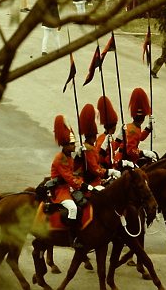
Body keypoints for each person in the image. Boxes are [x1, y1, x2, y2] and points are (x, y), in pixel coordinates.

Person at [51, 115, 98, 249]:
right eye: (72, 144)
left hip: (69, 188)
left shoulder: (69, 157)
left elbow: (75, 171)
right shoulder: (61, 159)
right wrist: (85, 186)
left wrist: (79, 156)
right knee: (73, 208)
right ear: (65, 145)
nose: (74, 145)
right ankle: (73, 238)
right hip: (60, 190)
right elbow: (69, 178)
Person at [79, 104, 121, 186]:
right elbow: (99, 163)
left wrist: (119, 139)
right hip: (95, 180)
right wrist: (110, 171)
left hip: (103, 174)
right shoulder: (90, 147)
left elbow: (112, 151)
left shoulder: (91, 146)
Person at [114, 88, 156, 166]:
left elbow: (141, 137)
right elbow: (130, 151)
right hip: (125, 161)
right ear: (143, 119)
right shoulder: (133, 130)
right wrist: (143, 153)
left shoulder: (133, 126)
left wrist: (149, 127)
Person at [96, 95, 119, 170]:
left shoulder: (108, 137)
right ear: (113, 127)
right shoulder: (103, 139)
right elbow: (101, 159)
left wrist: (119, 139)